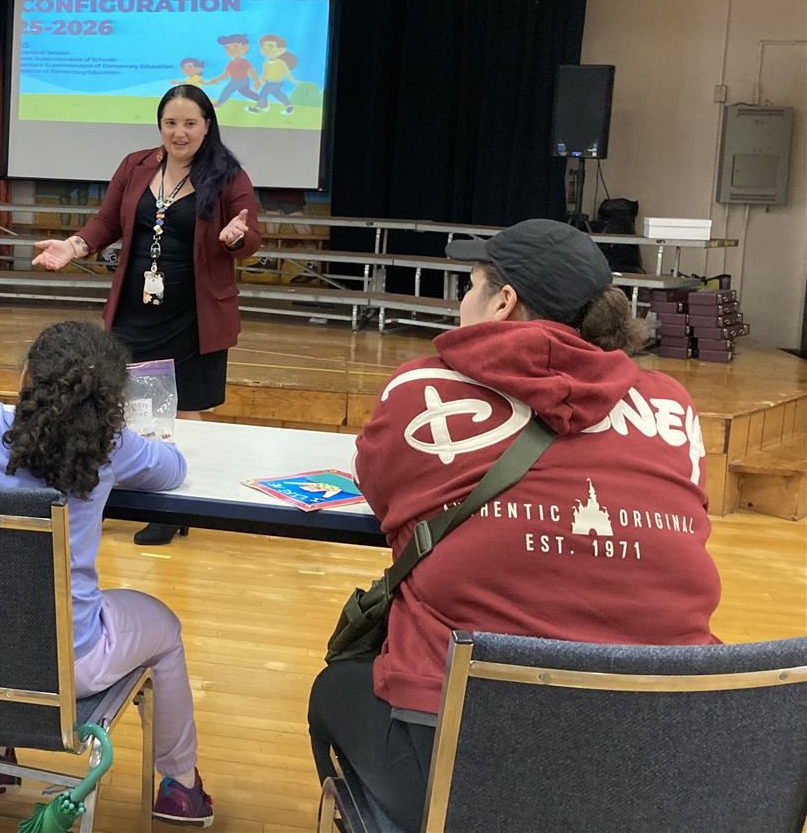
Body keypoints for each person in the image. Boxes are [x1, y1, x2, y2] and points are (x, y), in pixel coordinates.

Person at [307, 219, 722, 830]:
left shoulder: (424, 390)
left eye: (471, 286)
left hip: (463, 755)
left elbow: (380, 490)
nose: (460, 301)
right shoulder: (672, 406)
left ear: (503, 302)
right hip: (653, 759)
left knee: (334, 688)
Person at [0, 321, 215, 826]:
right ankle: (178, 784)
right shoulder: (112, 447)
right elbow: (172, 469)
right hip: (69, 664)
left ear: (24, 377)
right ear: (109, 403)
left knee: (0, 601)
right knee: (163, 626)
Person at [32, 84, 262, 545]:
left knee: (187, 408)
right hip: (136, 308)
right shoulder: (136, 165)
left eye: (190, 124)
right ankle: (117, 493)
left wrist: (236, 238)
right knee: (122, 403)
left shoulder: (228, 175)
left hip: (194, 313)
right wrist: (73, 246)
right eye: (170, 123)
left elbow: (249, 239)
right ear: (160, 126)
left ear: (207, 126)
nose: (179, 133)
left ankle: (178, 506)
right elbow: (108, 222)